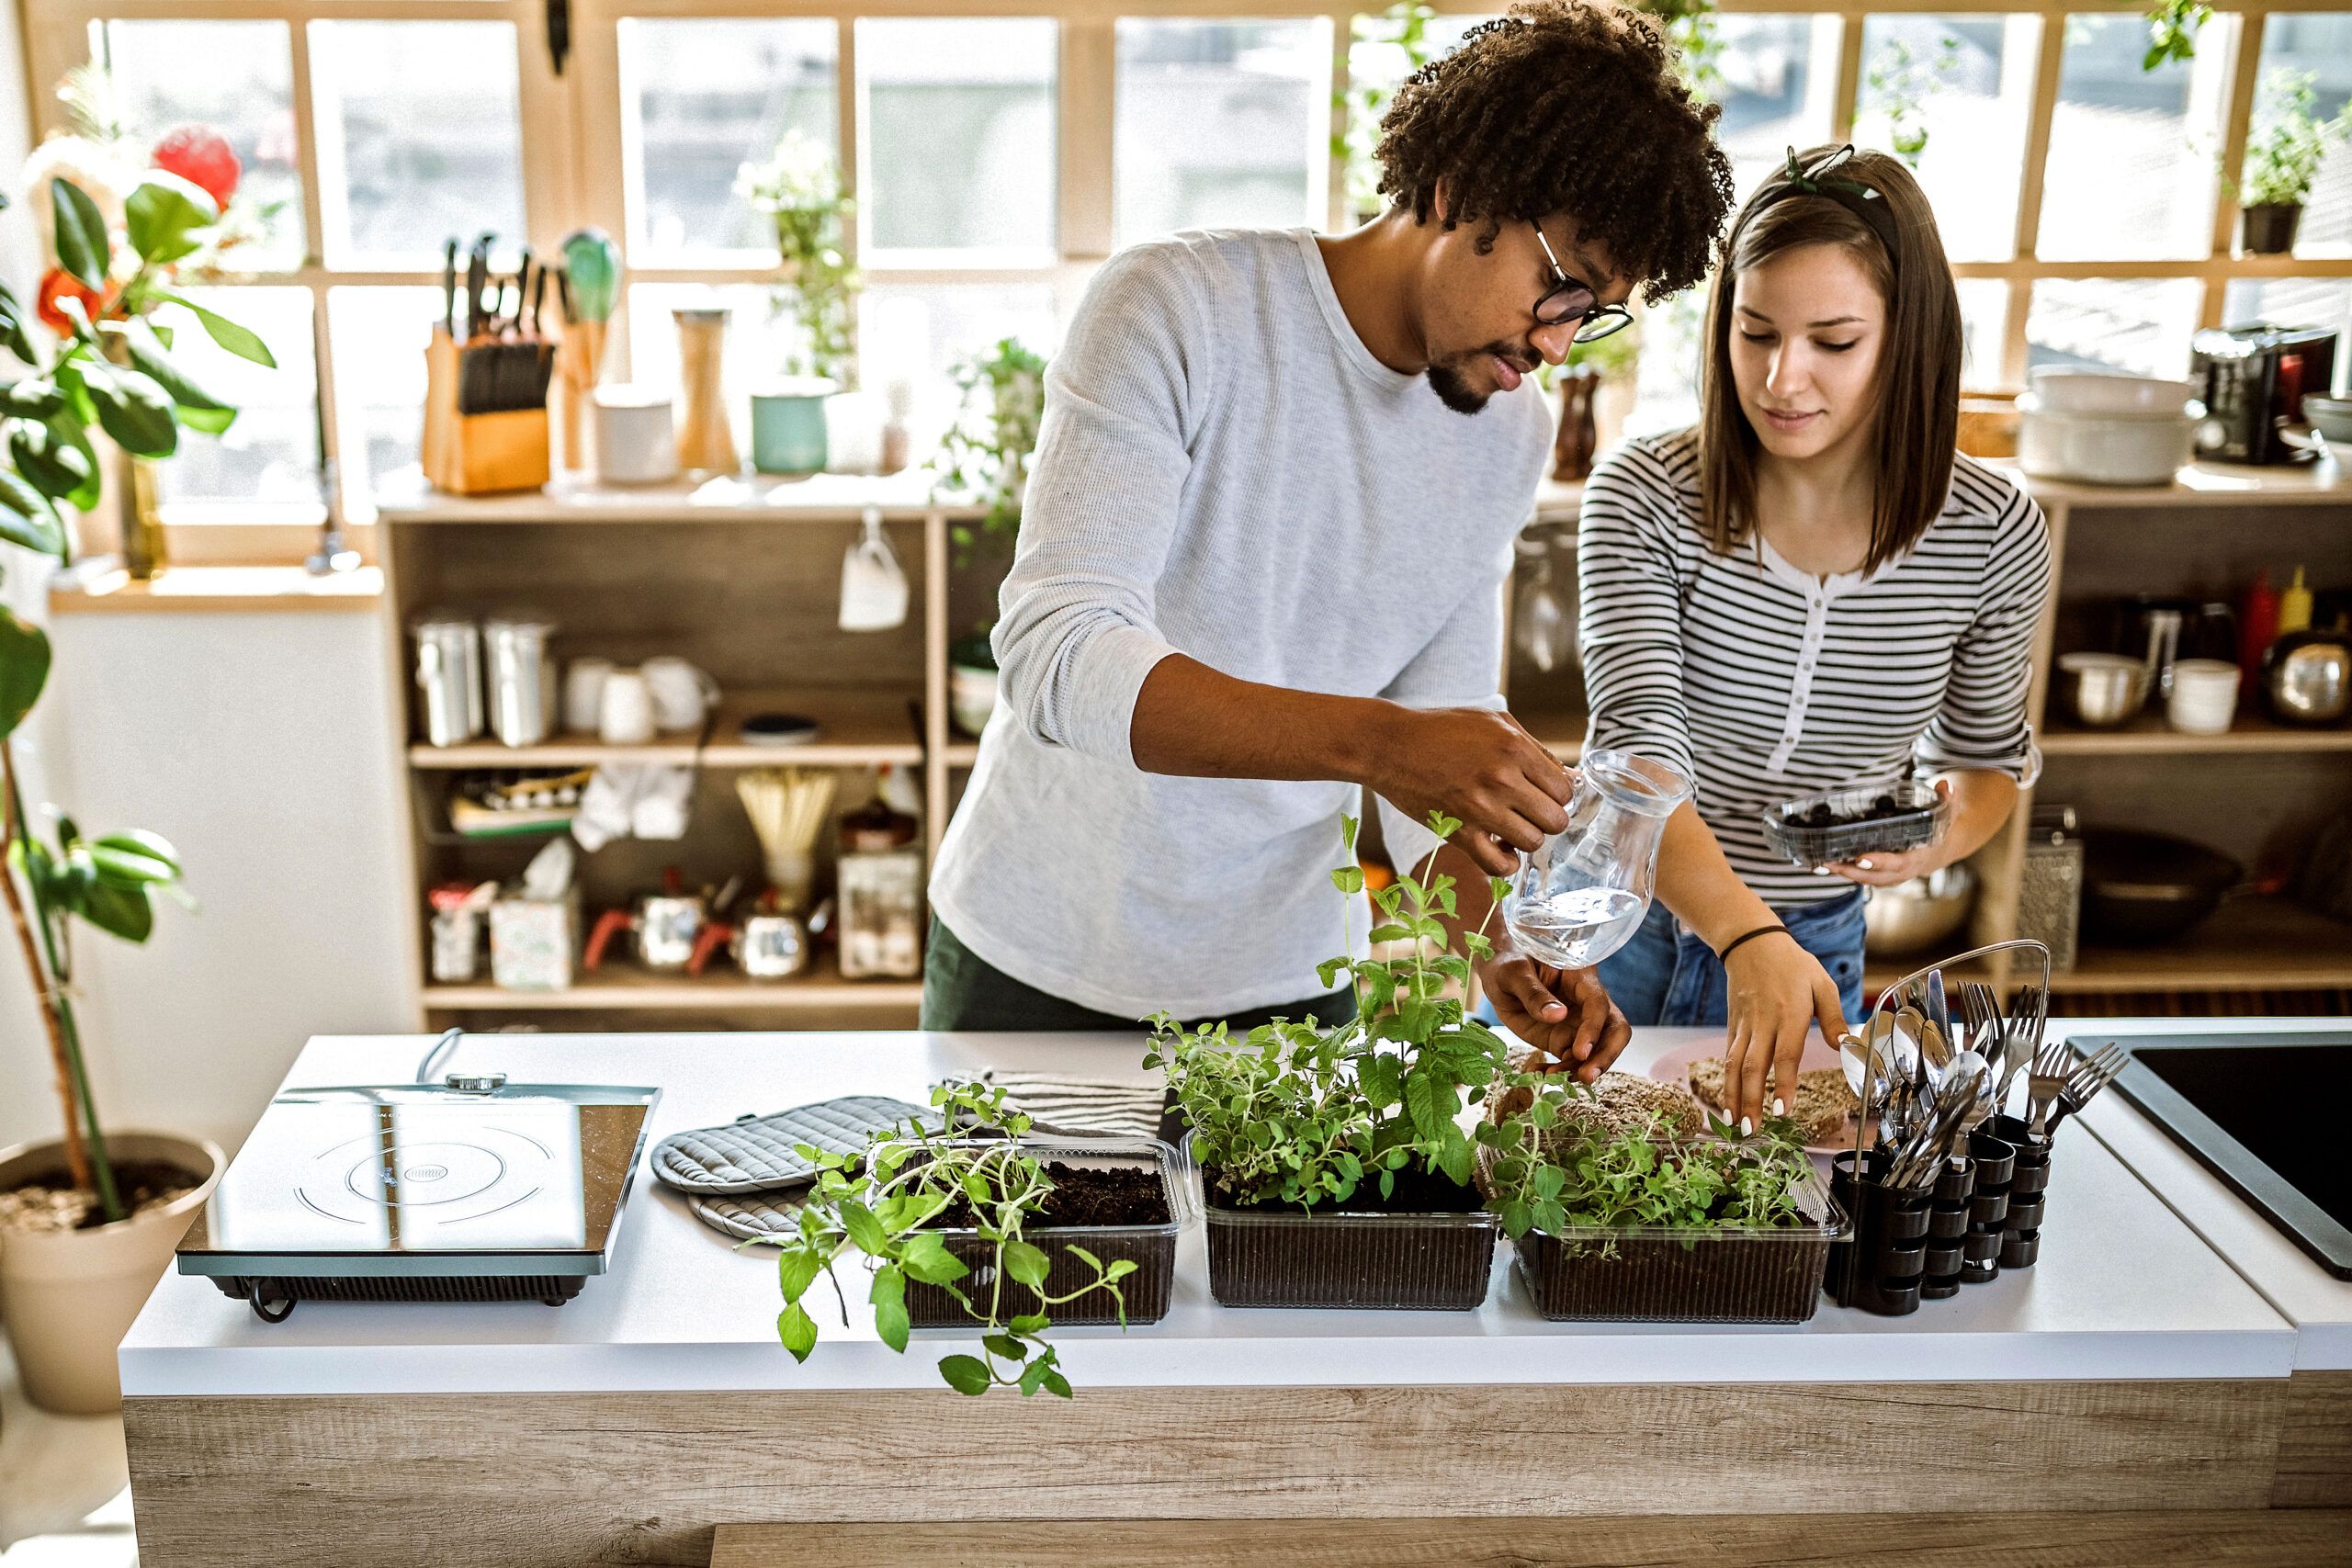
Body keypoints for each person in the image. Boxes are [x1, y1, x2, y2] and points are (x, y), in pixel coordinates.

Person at [924, 0, 1735, 1075]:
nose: (1557, 341)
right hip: (1037, 965)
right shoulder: (1177, 307)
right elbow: (1059, 652)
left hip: (1291, 991)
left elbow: (1438, 720)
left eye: (1594, 315)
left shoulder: (1508, 430)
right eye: (1561, 285)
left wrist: (1492, 937)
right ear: (1460, 191)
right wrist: (1388, 745)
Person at [1576, 144, 2052, 1126]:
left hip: (1815, 950)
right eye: (1755, 333)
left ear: (1908, 340)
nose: (1781, 379)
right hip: (1624, 932)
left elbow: (1989, 760)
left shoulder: (1992, 532)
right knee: (1601, 1224)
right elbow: (1636, 753)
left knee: (1770, 1234)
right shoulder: (1643, 495)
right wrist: (1745, 936)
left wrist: (1926, 845)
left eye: (1832, 342)